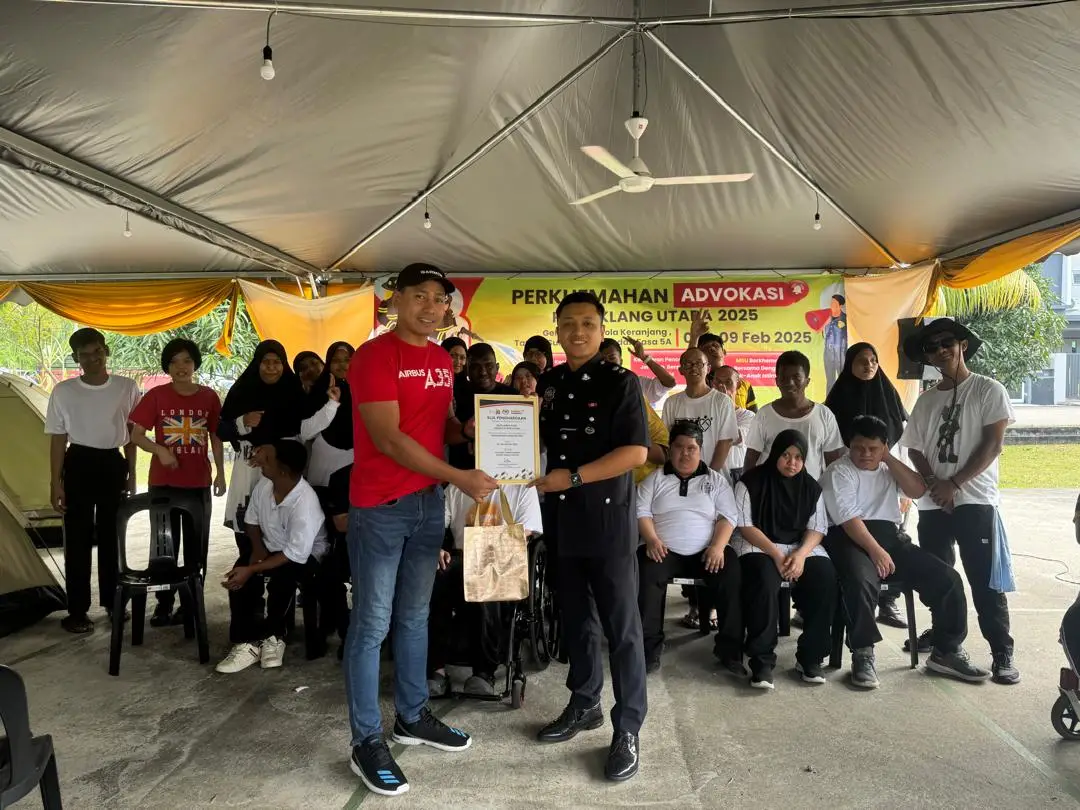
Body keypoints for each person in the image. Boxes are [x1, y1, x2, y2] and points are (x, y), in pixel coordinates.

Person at [344, 263, 497, 798]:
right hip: (381, 506)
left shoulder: (438, 359)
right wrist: (459, 475)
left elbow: (436, 427)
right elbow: (388, 438)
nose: (432, 307)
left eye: (440, 299)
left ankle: (412, 717)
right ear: (396, 300)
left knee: (414, 617)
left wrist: (467, 430)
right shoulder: (373, 357)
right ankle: (366, 740)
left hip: (427, 506)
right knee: (372, 624)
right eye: (421, 296)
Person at [532, 291, 649, 783]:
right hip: (562, 521)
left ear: (601, 330)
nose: (577, 332)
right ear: (557, 329)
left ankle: (628, 727)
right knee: (576, 620)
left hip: (606, 524)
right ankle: (584, 703)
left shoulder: (621, 382)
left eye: (587, 323)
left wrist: (574, 477)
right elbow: (532, 440)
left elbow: (636, 453)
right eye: (568, 323)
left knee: (622, 629)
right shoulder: (550, 384)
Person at [821, 416, 990, 688]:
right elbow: (849, 520)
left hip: (891, 538)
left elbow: (918, 490)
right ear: (849, 445)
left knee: (947, 578)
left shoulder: (889, 468)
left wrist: (889, 459)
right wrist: (876, 551)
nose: (865, 454)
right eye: (859, 447)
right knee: (861, 581)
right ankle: (863, 654)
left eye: (874, 449)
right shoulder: (838, 471)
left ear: (884, 446)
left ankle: (946, 651)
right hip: (851, 539)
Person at [900, 317, 1019, 685]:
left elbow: (993, 444)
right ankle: (945, 641)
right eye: (932, 347)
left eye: (946, 343)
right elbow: (915, 448)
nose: (940, 350)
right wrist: (935, 485)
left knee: (984, 580)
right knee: (940, 578)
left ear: (962, 345)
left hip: (975, 500)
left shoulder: (988, 389)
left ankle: (1001, 651)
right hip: (933, 502)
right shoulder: (926, 400)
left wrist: (954, 484)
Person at [45, 327, 141, 634]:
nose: (92, 358)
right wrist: (56, 483)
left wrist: (132, 472)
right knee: (77, 539)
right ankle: (77, 611)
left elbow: (132, 434)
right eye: (84, 354)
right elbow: (58, 439)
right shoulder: (64, 391)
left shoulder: (126, 387)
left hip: (113, 464)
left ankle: (115, 603)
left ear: (106, 351)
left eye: (97, 351)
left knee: (113, 537)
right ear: (76, 358)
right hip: (78, 464)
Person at [130, 339, 227, 627]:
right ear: (167, 367)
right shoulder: (156, 396)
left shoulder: (209, 397)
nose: (181, 367)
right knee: (164, 548)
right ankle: (163, 604)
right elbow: (136, 435)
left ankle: (191, 604)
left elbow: (216, 437)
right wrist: (159, 450)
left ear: (195, 364)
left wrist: (221, 473)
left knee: (197, 548)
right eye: (174, 362)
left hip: (198, 483)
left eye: (186, 360)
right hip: (164, 484)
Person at [217, 340, 307, 650]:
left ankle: (278, 626)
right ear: (257, 364)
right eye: (266, 362)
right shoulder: (242, 390)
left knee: (283, 550)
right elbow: (221, 429)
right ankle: (246, 624)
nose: (271, 367)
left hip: (284, 478)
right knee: (249, 547)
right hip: (248, 476)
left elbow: (305, 432)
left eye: (277, 362)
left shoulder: (294, 393)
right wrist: (243, 422)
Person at [731, 429, 836, 689]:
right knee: (764, 580)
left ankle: (811, 657)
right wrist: (777, 555)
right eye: (786, 455)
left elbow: (817, 528)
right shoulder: (750, 482)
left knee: (825, 577)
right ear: (775, 453)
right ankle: (762, 660)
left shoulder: (811, 487)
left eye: (798, 457)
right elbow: (745, 526)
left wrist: (800, 555)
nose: (792, 462)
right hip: (759, 543)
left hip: (799, 545)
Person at [637, 422, 741, 674]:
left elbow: (728, 516)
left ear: (700, 450)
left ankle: (730, 651)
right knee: (645, 572)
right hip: (663, 550)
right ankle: (648, 650)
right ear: (670, 449)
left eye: (691, 448)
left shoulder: (715, 481)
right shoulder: (654, 479)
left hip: (707, 551)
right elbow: (641, 512)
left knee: (732, 574)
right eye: (679, 447)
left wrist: (718, 546)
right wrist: (651, 539)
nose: (685, 453)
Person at [216, 440, 329, 673]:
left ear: (283, 470)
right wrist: (257, 553)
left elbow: (294, 554)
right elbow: (251, 522)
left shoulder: (304, 503)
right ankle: (245, 642)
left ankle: (274, 636)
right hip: (271, 546)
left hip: (305, 554)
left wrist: (254, 569)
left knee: (283, 578)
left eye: (267, 459)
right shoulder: (265, 485)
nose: (260, 461)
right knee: (240, 572)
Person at [824, 341, 910, 628]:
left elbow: (898, 441)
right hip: (847, 483)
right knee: (853, 559)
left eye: (873, 360)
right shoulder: (837, 400)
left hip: (886, 482)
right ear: (850, 364)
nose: (869, 365)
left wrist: (903, 488)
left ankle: (888, 602)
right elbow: (831, 447)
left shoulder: (888, 395)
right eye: (862, 360)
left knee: (892, 543)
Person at [428, 484, 544, 696]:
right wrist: (436, 547)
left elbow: (526, 533)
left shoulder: (523, 488)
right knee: (433, 578)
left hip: (502, 563)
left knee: (484, 579)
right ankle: (436, 670)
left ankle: (483, 672)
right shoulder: (457, 486)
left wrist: (485, 553)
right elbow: (434, 523)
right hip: (461, 560)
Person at [743, 351, 845, 481]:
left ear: (807, 381)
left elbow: (833, 460)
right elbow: (751, 457)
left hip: (810, 491)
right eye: (784, 377)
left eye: (796, 377)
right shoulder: (764, 415)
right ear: (777, 381)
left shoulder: (824, 415)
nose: (790, 383)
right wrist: (746, 486)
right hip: (771, 490)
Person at [662, 348, 739, 471]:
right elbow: (667, 442)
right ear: (681, 370)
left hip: (714, 477)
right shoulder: (671, 402)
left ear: (708, 368)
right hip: (679, 477)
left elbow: (725, 442)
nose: (694, 368)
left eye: (699, 363)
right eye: (688, 364)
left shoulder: (722, 401)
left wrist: (709, 475)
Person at [448, 343, 517, 471]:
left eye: (489, 366)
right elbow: (444, 436)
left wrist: (532, 407)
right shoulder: (453, 395)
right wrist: (465, 433)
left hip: (504, 472)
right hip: (462, 474)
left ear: (497, 368)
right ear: (467, 370)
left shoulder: (514, 397)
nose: (483, 372)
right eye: (475, 367)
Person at [301, 342, 355, 488]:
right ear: (328, 363)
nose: (342, 365)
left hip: (355, 461)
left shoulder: (365, 388)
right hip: (324, 462)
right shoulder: (318, 391)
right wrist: (331, 404)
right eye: (336, 360)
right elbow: (306, 432)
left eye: (347, 360)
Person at [689, 312, 756, 411]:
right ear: (700, 355)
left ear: (724, 352)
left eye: (715, 346)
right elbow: (690, 360)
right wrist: (694, 337)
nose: (711, 349)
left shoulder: (744, 385)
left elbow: (753, 416)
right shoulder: (699, 381)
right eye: (706, 348)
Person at [599, 337, 676, 408]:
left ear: (621, 361)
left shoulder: (635, 383)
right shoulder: (592, 385)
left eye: (612, 358)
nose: (607, 362)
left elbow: (669, 382)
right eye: (602, 360)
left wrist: (644, 357)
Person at [711, 365, 755, 474]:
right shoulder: (706, 412)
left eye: (728, 382)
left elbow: (735, 437)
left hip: (735, 473)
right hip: (710, 470)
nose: (722, 386)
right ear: (712, 384)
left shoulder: (748, 416)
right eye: (718, 382)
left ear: (738, 385)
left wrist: (726, 407)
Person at [820, 294, 848, 393]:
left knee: (843, 379)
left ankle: (844, 398)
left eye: (834, 303)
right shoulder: (826, 318)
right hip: (828, 352)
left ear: (840, 306)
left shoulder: (845, 319)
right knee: (830, 380)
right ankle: (829, 399)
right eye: (831, 303)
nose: (831, 305)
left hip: (841, 353)